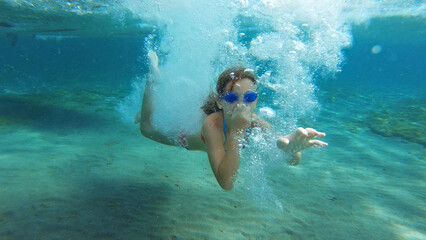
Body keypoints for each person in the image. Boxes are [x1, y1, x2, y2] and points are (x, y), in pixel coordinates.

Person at [135, 50, 327, 190]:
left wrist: (290, 151)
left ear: (256, 101)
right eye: (232, 98)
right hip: (189, 137)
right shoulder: (211, 124)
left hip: (213, 126)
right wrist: (237, 131)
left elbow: (292, 159)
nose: (242, 105)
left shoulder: (258, 123)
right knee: (146, 127)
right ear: (220, 102)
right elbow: (226, 182)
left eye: (249, 98)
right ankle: (152, 79)